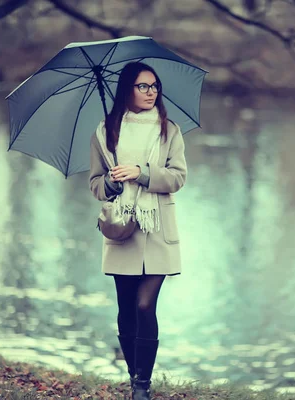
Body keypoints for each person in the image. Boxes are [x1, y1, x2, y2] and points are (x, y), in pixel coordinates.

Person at [88, 62, 187, 400]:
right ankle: (134, 375)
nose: (151, 92)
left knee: (146, 306)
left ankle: (141, 386)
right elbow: (95, 184)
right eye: (143, 86)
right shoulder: (105, 131)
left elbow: (177, 177)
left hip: (157, 228)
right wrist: (112, 183)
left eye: (154, 86)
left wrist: (143, 173)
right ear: (127, 89)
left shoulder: (169, 130)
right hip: (121, 229)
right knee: (126, 308)